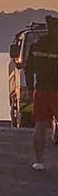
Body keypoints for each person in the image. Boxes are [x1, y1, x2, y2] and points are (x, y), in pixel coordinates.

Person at [27, 18, 58, 171]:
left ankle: (38, 161)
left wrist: (30, 87)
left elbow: (28, 68)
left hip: (40, 90)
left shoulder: (35, 46)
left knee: (40, 125)